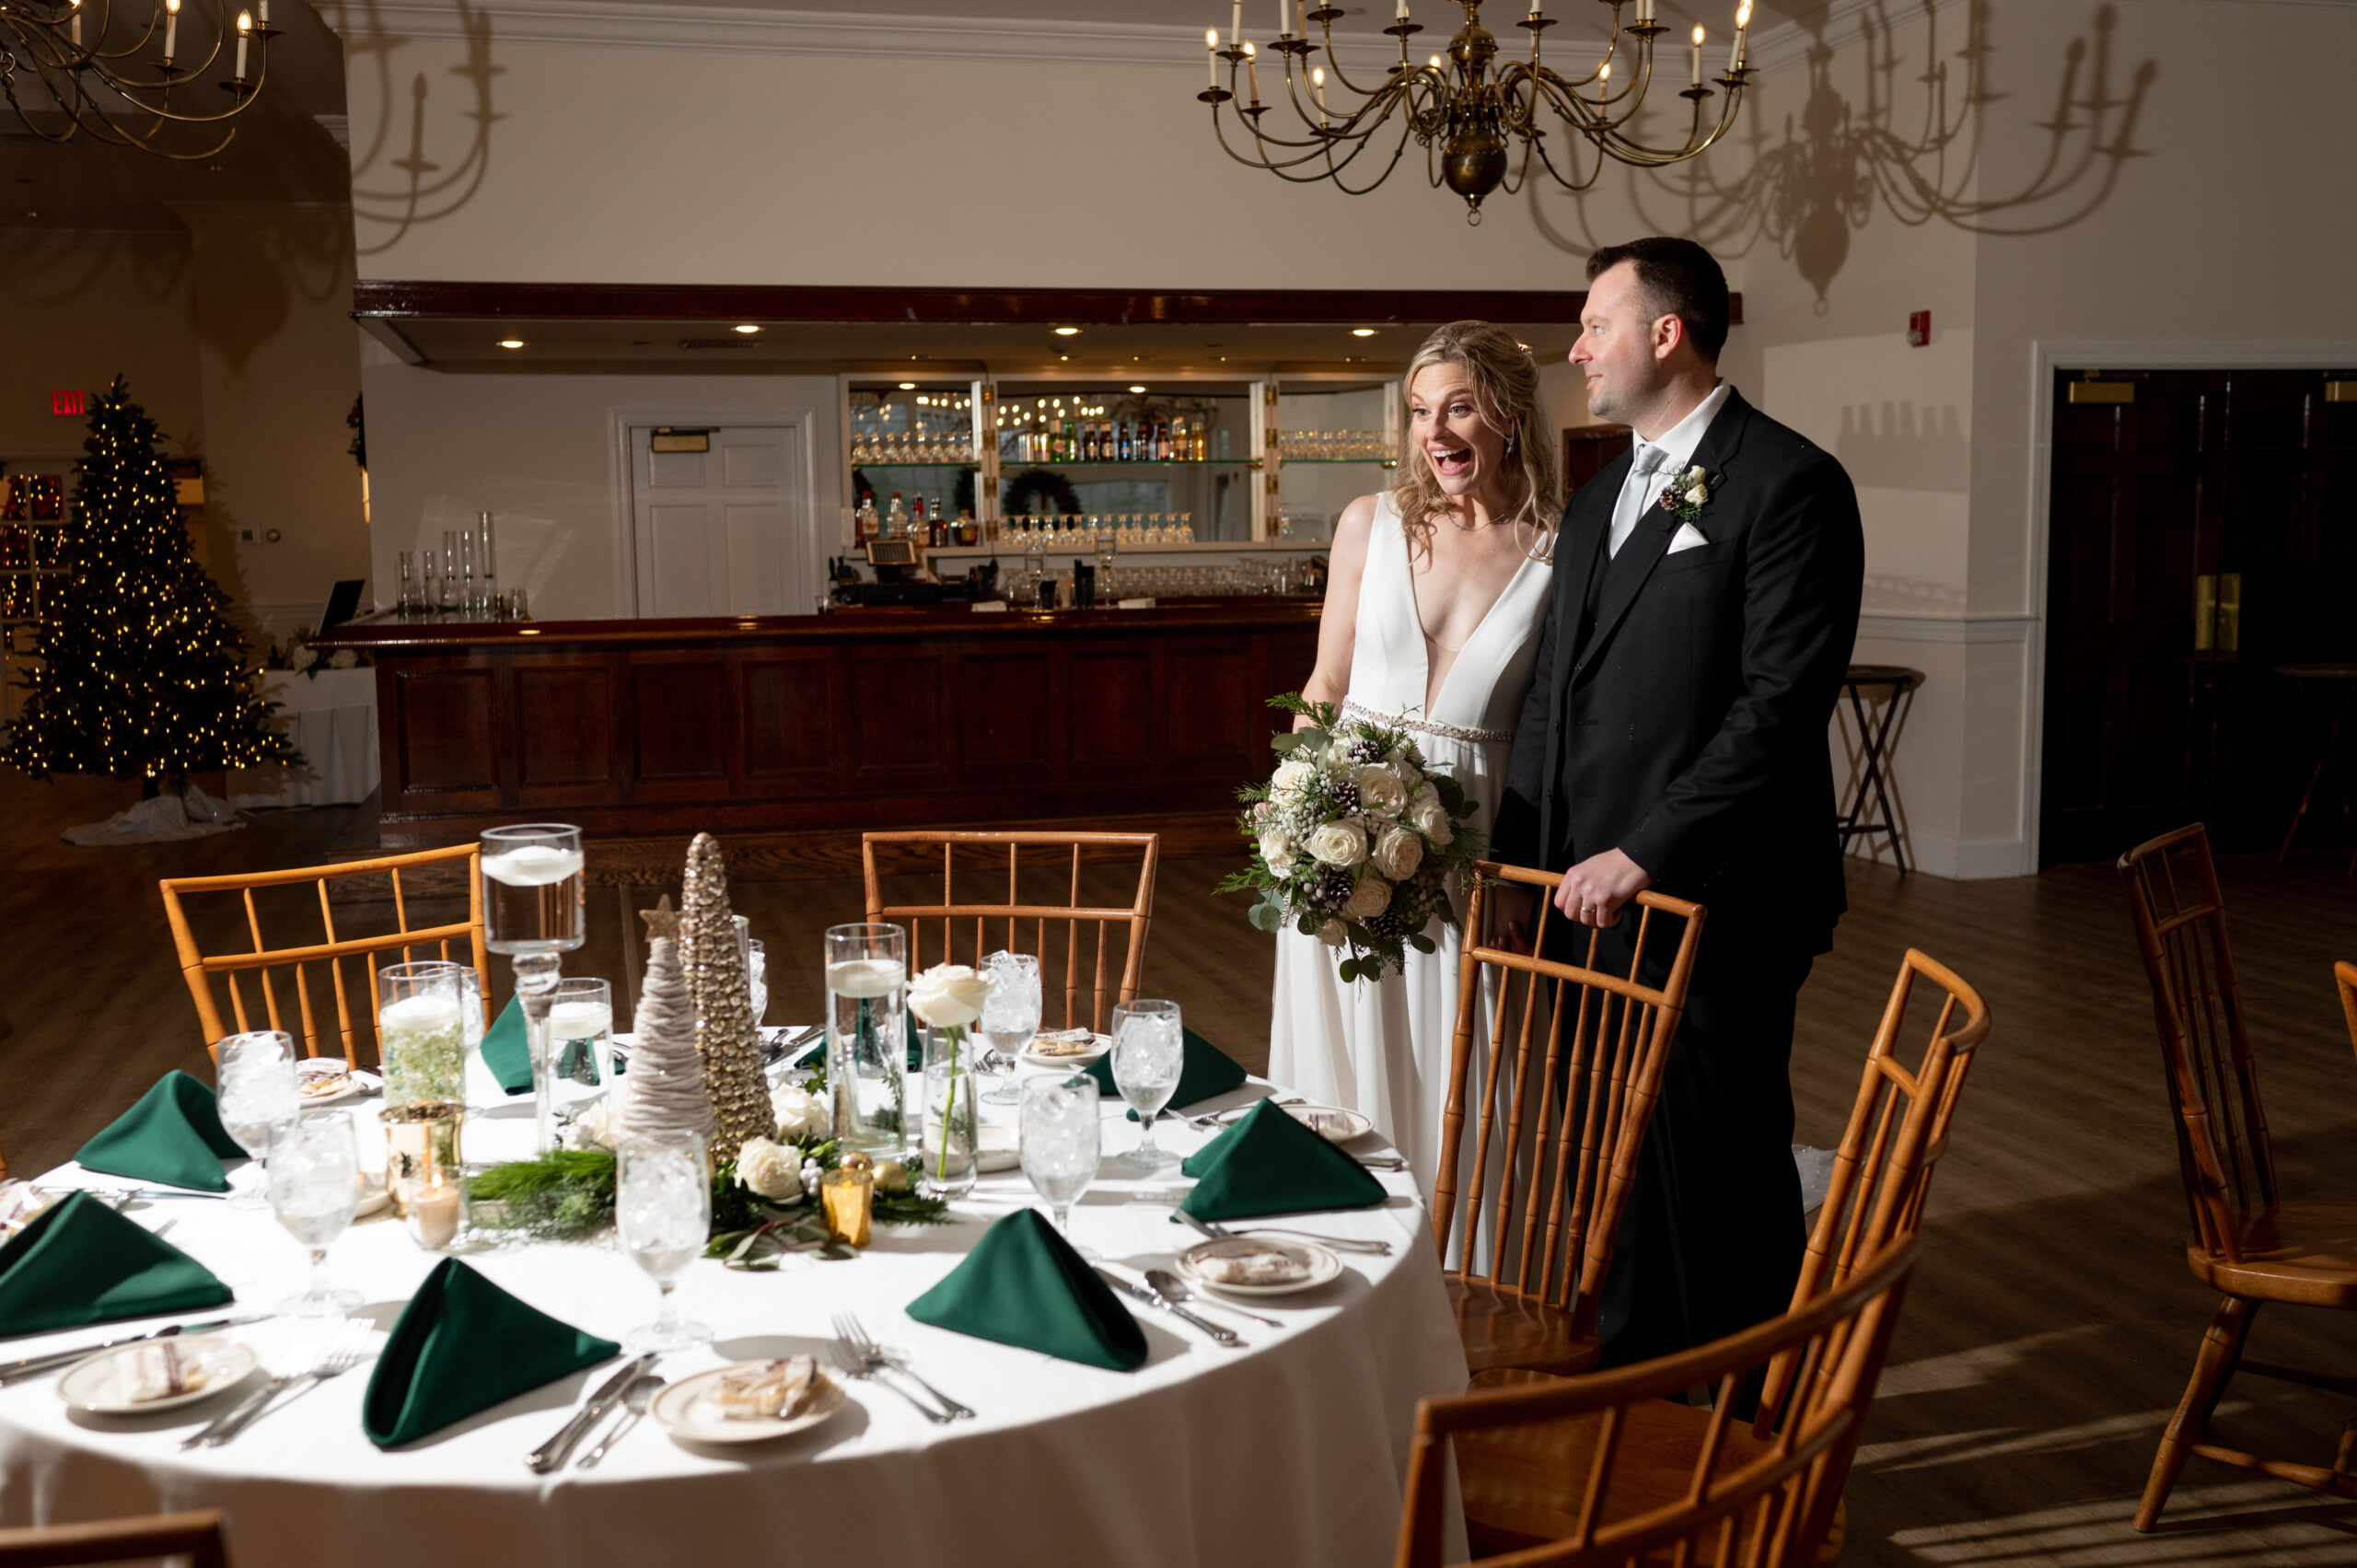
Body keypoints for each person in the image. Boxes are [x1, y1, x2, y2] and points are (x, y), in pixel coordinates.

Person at [1491, 238, 1864, 1366]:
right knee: (1609, 1145)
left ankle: (1738, 1398)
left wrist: (1643, 851)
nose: (1577, 347)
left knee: (1721, 1151)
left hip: (1718, 894)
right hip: (1582, 900)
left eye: (1595, 323)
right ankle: (1634, 1365)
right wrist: (1520, 863)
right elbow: (1554, 693)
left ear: (1667, 332)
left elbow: (1778, 708)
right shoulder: (1601, 489)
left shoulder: (1790, 483)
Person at [1268, 321, 1560, 1191]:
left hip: (1476, 845)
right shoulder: (1370, 524)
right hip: (1342, 834)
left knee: (1467, 1057)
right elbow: (1323, 682)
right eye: (1420, 411)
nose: (1434, 432)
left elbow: (1557, 726)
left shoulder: (1559, 548)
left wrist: (1513, 864)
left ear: (1508, 415)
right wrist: (1293, 808)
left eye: (1460, 408)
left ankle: (1461, 1252)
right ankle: (1343, 1242)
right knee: (1342, 1053)